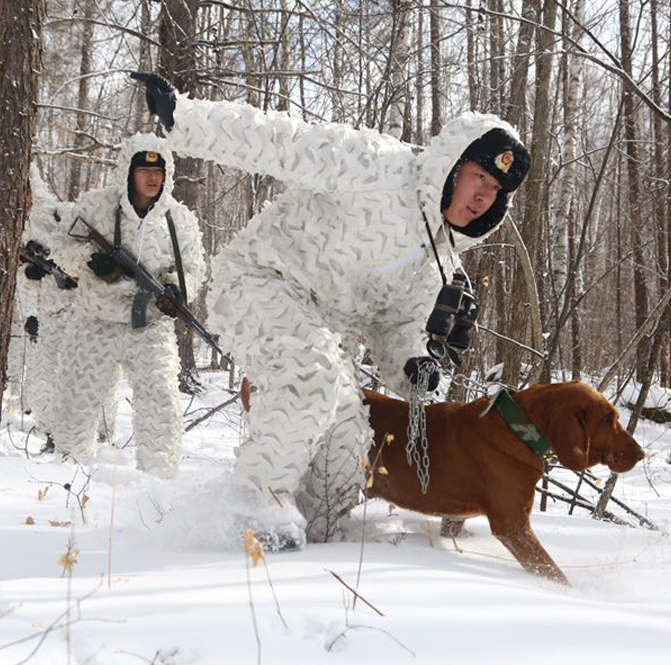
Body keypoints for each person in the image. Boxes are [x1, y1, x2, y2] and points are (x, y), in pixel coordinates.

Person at [133, 73, 530, 545]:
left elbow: (394, 328)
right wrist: (185, 119)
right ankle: (254, 512)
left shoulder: (440, 262)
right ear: (452, 167)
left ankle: (317, 542)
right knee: (310, 372)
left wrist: (417, 367)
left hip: (323, 331)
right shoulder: (378, 166)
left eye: (496, 190)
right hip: (262, 280)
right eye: (479, 177)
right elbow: (280, 142)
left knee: (345, 446)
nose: (483, 195)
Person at [45, 133, 206, 476]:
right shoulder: (97, 208)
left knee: (161, 405)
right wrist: (91, 261)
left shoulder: (179, 221)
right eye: (144, 170)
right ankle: (67, 481)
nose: (152, 178)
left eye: (159, 170)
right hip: (95, 322)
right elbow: (60, 245)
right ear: (128, 172)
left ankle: (159, 484)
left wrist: (178, 289)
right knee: (76, 404)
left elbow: (192, 267)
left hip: (150, 327)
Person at [10, 166, 119, 452]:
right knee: (45, 377)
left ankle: (102, 437)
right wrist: (31, 274)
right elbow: (22, 272)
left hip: (84, 310)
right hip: (50, 313)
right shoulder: (24, 226)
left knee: (91, 374)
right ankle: (52, 435)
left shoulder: (67, 215)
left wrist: (79, 273)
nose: (25, 200)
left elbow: (97, 258)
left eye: (27, 193)